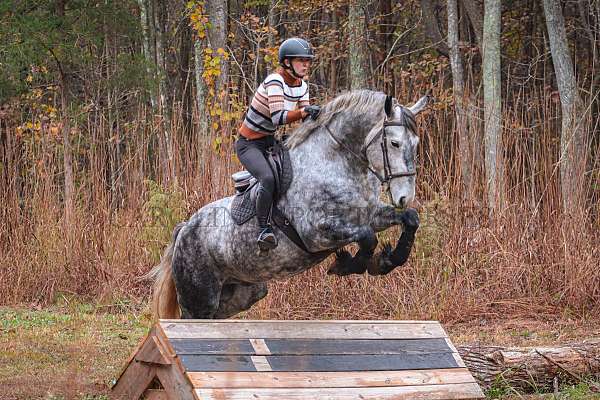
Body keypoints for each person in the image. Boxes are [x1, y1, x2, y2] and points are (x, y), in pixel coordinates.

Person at [235, 37, 321, 251]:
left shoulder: (302, 85)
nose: (306, 65)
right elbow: (278, 117)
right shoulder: (275, 81)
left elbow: (305, 116)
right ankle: (263, 229)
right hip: (248, 145)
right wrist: (304, 112)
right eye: (301, 60)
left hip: (269, 141)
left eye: (307, 61)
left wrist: (317, 116)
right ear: (287, 62)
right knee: (267, 178)